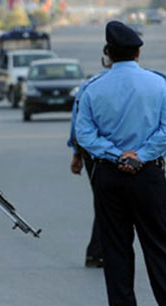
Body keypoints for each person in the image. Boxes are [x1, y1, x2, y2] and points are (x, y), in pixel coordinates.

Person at [75, 21, 166, 306]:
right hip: (149, 174)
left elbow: (84, 134)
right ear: (139, 52)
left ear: (108, 53)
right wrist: (139, 155)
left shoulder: (92, 88)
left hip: (109, 176)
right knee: (158, 245)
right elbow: (165, 130)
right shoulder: (159, 85)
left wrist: (116, 155)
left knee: (115, 247)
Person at [67, 51, 111, 268]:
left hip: (95, 154)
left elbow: (78, 123)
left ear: (105, 59)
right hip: (135, 156)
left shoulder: (89, 86)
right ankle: (100, 251)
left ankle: (99, 251)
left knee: (105, 202)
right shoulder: (150, 82)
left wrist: (76, 153)